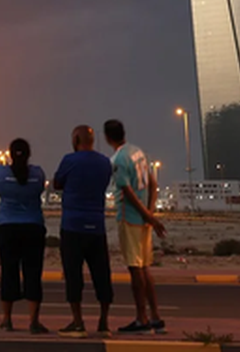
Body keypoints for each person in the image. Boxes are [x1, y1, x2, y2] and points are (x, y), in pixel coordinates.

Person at [104, 119, 167, 335]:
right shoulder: (138, 152)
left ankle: (142, 318)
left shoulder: (118, 160)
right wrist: (150, 215)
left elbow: (127, 193)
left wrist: (147, 216)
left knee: (135, 269)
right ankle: (156, 316)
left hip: (130, 218)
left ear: (107, 138)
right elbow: (153, 184)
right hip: (143, 220)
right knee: (145, 267)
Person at [52, 125, 114, 338]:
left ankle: (78, 322)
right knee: (102, 273)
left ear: (76, 140)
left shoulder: (69, 160)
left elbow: (57, 183)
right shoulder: (105, 162)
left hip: (73, 225)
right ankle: (104, 322)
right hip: (97, 225)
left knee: (73, 274)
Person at [0, 138, 48, 334]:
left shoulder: (1, 173)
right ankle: (33, 321)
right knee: (33, 273)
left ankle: (7, 320)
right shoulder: (38, 173)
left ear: (9, 153)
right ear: (29, 153)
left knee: (8, 272)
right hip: (33, 226)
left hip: (7, 227)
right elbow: (40, 189)